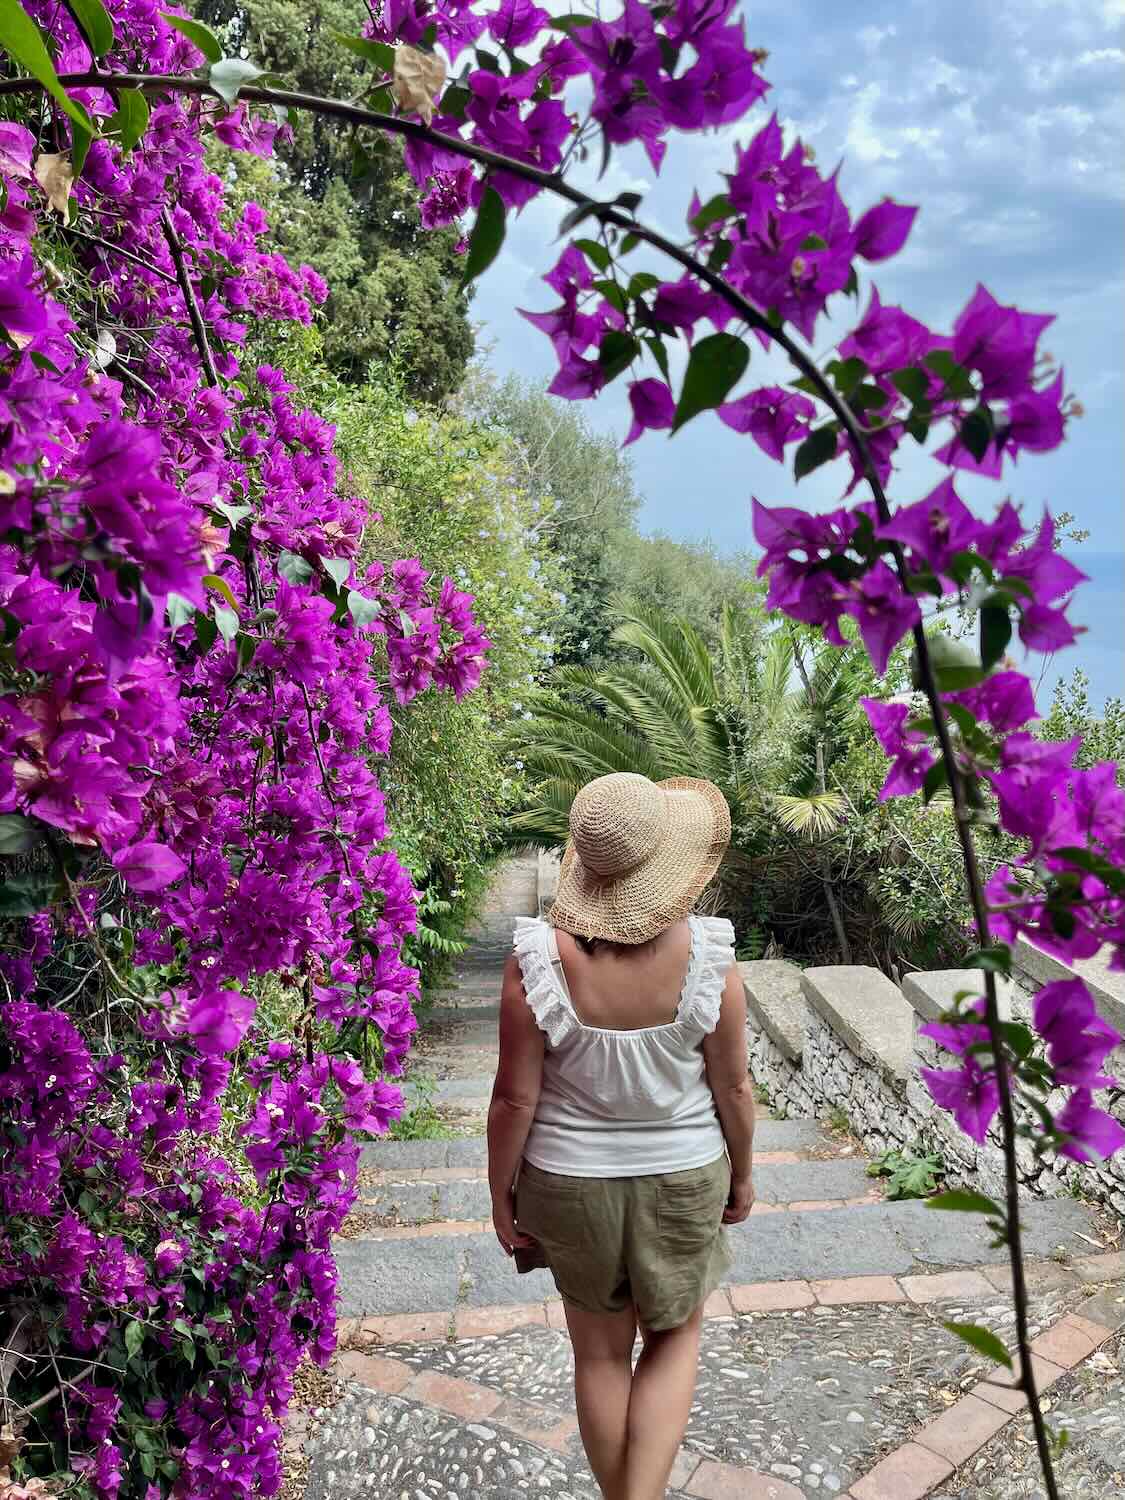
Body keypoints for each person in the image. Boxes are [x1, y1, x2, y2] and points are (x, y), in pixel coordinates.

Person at [487, 771, 756, 1500]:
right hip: (684, 1174)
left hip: (566, 1184)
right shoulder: (709, 957)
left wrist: (499, 1194)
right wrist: (744, 1173)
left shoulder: (538, 957)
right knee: (673, 1338)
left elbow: (515, 1096)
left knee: (600, 1358)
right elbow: (732, 1086)